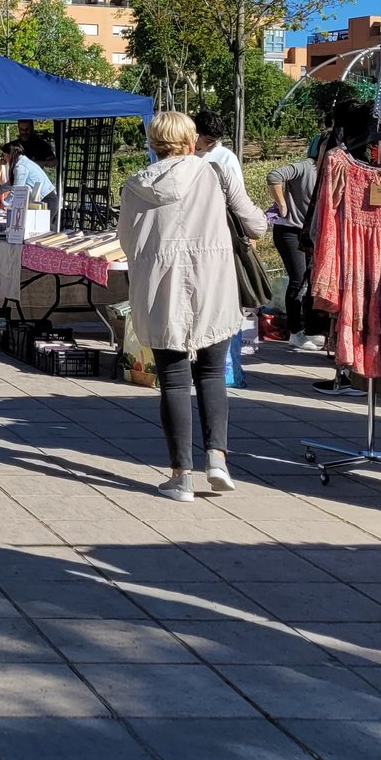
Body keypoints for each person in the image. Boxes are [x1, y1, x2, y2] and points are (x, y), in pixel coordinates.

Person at [119, 109, 268, 500]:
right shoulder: (214, 174)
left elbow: (127, 243)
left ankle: (180, 475)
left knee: (172, 380)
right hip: (214, 285)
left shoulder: (134, 185)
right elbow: (255, 224)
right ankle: (217, 458)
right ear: (191, 141)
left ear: (152, 144)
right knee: (212, 373)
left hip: (161, 289)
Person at [266, 152, 321, 349]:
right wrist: (282, 205)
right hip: (289, 230)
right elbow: (274, 175)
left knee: (311, 279)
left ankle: (310, 330)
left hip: (309, 233)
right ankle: (295, 332)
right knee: (298, 279)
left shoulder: (329, 171)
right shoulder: (305, 167)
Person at [0, 137, 55, 226]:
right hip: (46, 199)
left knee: (44, 231)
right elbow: (13, 182)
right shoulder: (23, 162)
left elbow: (16, 189)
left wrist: (4, 203)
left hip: (47, 200)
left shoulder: (21, 167)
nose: (4, 158)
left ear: (10, 155)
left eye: (4, 155)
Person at [194, 110, 244, 189]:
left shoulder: (227, 156)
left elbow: (239, 190)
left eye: (217, 141)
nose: (213, 145)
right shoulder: (183, 153)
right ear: (195, 134)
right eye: (209, 141)